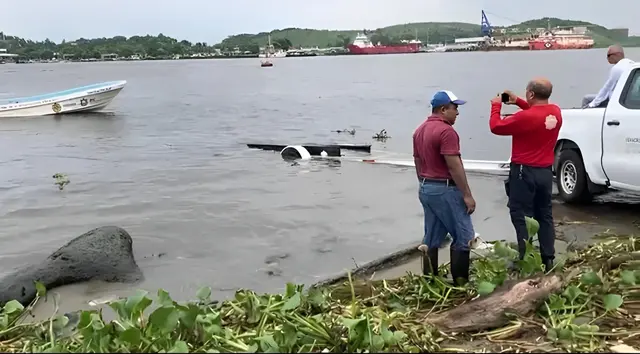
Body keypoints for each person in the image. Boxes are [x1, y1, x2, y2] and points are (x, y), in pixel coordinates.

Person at [489, 79, 562, 272]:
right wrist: (518, 101)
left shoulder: (524, 118)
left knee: (521, 215)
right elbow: (535, 112)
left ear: (531, 94)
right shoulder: (556, 112)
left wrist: (496, 106)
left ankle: (526, 257)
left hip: (524, 172)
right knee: (544, 215)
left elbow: (496, 127)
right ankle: (548, 259)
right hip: (546, 172)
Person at [413, 90, 476, 284]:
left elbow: (417, 160)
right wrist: (467, 195)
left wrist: (423, 183)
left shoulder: (420, 130)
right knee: (463, 235)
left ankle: (429, 279)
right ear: (443, 109)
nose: (457, 112)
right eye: (455, 108)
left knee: (432, 235)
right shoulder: (447, 131)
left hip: (426, 188)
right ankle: (460, 282)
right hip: (445, 189)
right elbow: (454, 165)